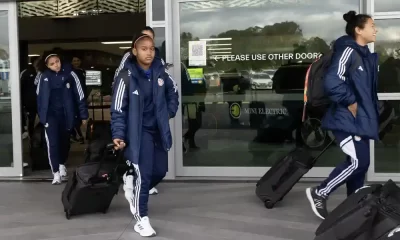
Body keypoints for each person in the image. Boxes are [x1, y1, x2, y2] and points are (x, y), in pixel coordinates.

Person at [306, 10, 378, 220]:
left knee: (359, 164)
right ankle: (320, 192)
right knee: (358, 163)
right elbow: (332, 81)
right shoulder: (348, 50)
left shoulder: (365, 56)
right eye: (372, 25)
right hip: (345, 118)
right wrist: (351, 101)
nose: (376, 29)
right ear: (358, 29)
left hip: (359, 120)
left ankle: (353, 206)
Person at [111, 34, 179, 237]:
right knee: (145, 173)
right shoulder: (126, 76)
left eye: (151, 48)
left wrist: (169, 112)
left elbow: (173, 93)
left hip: (157, 129)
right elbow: (118, 109)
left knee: (160, 170)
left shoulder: (161, 73)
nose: (149, 52)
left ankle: (130, 177)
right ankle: (142, 220)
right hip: (138, 132)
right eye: (144, 49)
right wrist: (118, 134)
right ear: (134, 51)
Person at [114, 26, 164, 196]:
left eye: (151, 43)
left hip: (153, 121)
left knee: (156, 165)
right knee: (137, 153)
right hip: (134, 115)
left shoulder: (158, 62)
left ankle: (139, 182)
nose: (149, 48)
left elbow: (170, 90)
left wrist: (167, 111)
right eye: (144, 43)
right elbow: (119, 84)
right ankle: (134, 182)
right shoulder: (128, 63)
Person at [36, 52, 89, 185]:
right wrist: (42, 116)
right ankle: (55, 173)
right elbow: (39, 97)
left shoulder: (70, 74)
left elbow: (80, 95)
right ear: (47, 65)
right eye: (52, 64)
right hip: (50, 116)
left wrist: (83, 115)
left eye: (57, 62)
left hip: (67, 115)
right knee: (52, 143)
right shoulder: (44, 76)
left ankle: (61, 163)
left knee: (64, 142)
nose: (56, 65)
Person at [70, 56, 87, 144]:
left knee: (80, 119)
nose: (76, 62)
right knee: (76, 118)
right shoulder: (71, 73)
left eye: (78, 60)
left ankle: (76, 135)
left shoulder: (82, 71)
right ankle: (78, 136)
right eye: (74, 61)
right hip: (75, 99)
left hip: (82, 97)